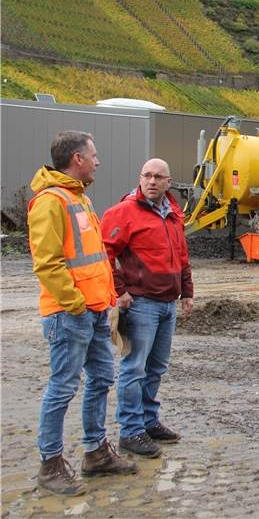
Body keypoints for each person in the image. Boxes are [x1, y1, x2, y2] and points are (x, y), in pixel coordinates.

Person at [28, 131, 137, 497]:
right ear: (77, 159)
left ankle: (95, 453)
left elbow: (94, 262)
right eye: (94, 155)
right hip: (69, 313)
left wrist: (104, 301)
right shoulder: (51, 201)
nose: (98, 161)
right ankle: (51, 464)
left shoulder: (79, 199)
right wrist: (75, 303)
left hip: (91, 312)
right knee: (62, 387)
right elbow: (48, 263)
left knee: (102, 377)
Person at [101, 158, 193, 458]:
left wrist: (187, 292)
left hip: (167, 303)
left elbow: (181, 255)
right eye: (147, 176)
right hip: (141, 304)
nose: (152, 181)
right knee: (134, 368)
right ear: (140, 178)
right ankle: (130, 431)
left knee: (156, 368)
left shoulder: (173, 213)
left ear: (169, 182)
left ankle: (148, 421)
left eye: (158, 177)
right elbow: (104, 252)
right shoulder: (124, 212)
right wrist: (120, 291)